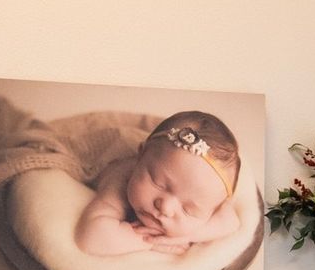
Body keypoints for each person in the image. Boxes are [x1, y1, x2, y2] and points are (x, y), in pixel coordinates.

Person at [74, 110, 242, 256]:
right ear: (140, 157)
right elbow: (90, 238)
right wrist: (152, 242)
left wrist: (186, 236)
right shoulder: (121, 179)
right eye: (158, 184)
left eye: (188, 210)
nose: (165, 208)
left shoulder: (211, 196)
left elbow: (231, 222)